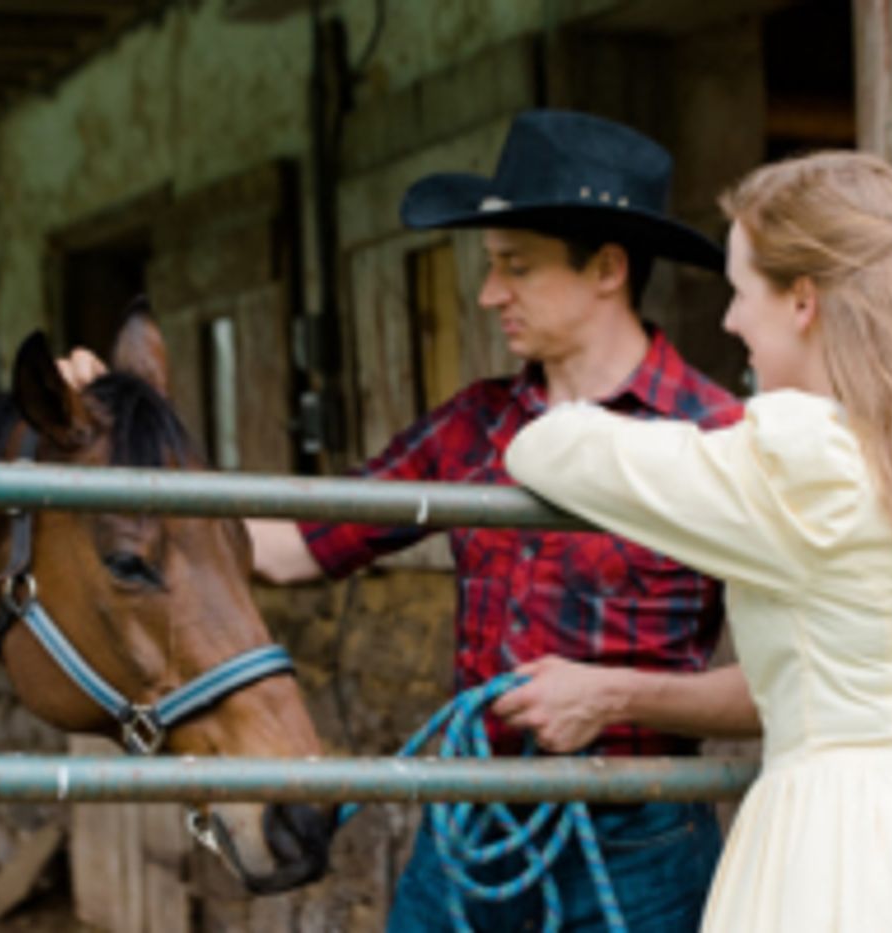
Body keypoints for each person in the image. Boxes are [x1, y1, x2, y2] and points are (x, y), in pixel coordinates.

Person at [60, 110, 757, 932]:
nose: (488, 292)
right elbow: (286, 550)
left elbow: (786, 688)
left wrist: (613, 696)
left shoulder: (724, 442)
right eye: (492, 267)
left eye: (516, 268)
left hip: (640, 841)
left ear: (607, 268)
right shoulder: (475, 424)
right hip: (471, 825)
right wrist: (123, 442)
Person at [504, 151, 892, 932]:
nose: (730, 320)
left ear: (804, 301)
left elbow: (548, 450)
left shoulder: (807, 470)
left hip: (835, 845)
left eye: (744, 293)